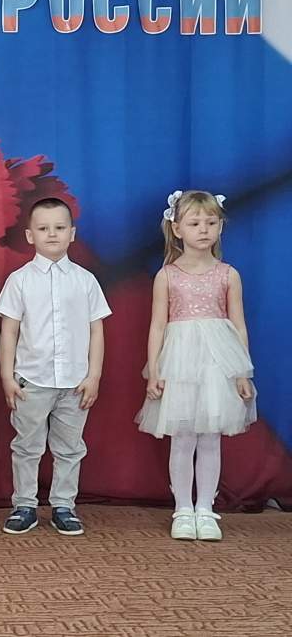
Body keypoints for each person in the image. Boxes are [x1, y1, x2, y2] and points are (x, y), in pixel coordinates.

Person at [136, 190, 256, 541]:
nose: (203, 229)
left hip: (218, 364)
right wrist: (154, 370)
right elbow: (158, 326)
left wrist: (242, 372)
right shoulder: (167, 276)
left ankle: (205, 508)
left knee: (210, 438)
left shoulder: (228, 275)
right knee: (184, 437)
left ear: (220, 227)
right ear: (177, 229)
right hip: (180, 364)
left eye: (211, 222)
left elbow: (238, 325)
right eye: (194, 223)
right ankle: (183, 510)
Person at [0, 198, 110, 536]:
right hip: (31, 379)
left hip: (75, 381)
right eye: (43, 229)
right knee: (27, 446)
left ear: (72, 233)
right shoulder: (19, 280)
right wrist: (7, 376)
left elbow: (96, 330)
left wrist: (94, 375)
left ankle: (64, 505)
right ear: (30, 236)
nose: (52, 234)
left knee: (70, 447)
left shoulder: (85, 280)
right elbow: (9, 331)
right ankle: (24, 505)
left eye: (59, 228)